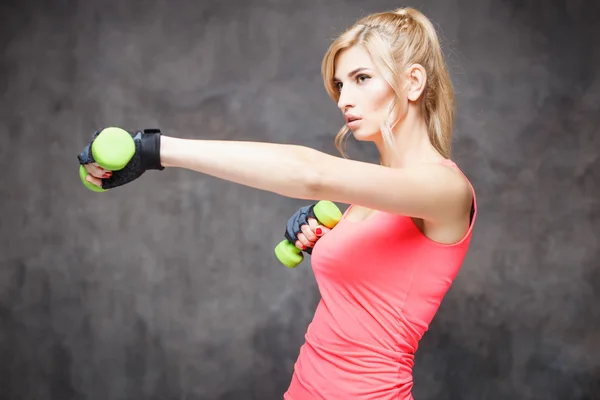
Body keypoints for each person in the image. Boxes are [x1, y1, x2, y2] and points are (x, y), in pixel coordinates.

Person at [78, 6, 477, 399]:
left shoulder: (446, 190)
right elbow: (379, 290)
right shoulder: (376, 192)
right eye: (340, 85)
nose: (344, 100)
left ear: (412, 82)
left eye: (361, 78)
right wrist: (331, 238)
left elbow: (310, 173)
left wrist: (154, 149)